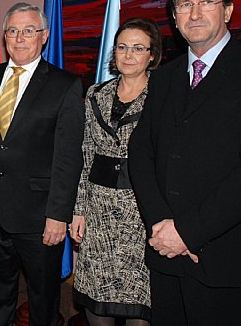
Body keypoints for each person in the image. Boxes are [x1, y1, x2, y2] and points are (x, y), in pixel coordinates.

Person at [128, 0, 241, 326]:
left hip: (222, 255)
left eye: (206, 1)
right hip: (163, 250)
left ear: (228, 10)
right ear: (174, 16)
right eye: (184, 5)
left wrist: (187, 232)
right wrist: (160, 224)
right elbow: (141, 152)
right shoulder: (165, 78)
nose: (195, 13)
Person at [0, 2, 84, 326]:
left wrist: (58, 215)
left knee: (43, 299)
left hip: (39, 215)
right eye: (13, 31)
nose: (19, 38)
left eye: (28, 30)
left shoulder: (65, 85)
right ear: (4, 35)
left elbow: (68, 156)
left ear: (44, 36)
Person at [70, 18, 162, 326]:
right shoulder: (96, 94)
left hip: (143, 211)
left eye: (138, 48)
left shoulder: (164, 95)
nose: (128, 55)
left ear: (152, 54)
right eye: (122, 47)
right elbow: (85, 154)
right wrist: (78, 210)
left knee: (139, 303)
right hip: (98, 212)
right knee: (97, 301)